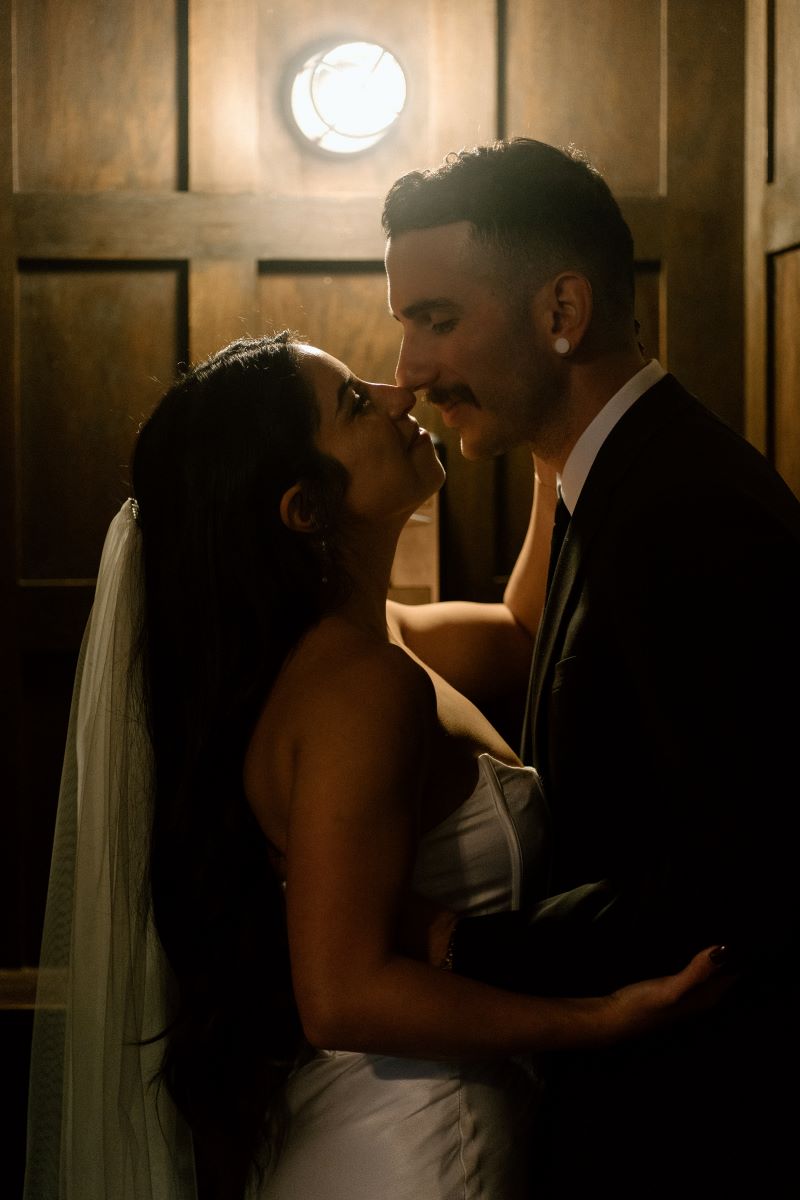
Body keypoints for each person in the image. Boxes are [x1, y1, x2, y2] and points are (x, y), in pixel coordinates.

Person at [24, 333, 733, 1200]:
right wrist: (599, 1018)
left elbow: (519, 633)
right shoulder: (357, 688)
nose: (398, 392)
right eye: (355, 403)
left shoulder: (378, 640)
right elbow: (342, 997)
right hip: (409, 1152)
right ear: (305, 509)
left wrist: (552, 428)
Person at [381, 137, 800, 1194]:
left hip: (702, 1115)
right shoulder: (601, 474)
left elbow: (739, 874)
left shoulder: (685, 517)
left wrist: (454, 948)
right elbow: (532, 642)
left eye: (437, 321)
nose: (410, 373)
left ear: (559, 312)